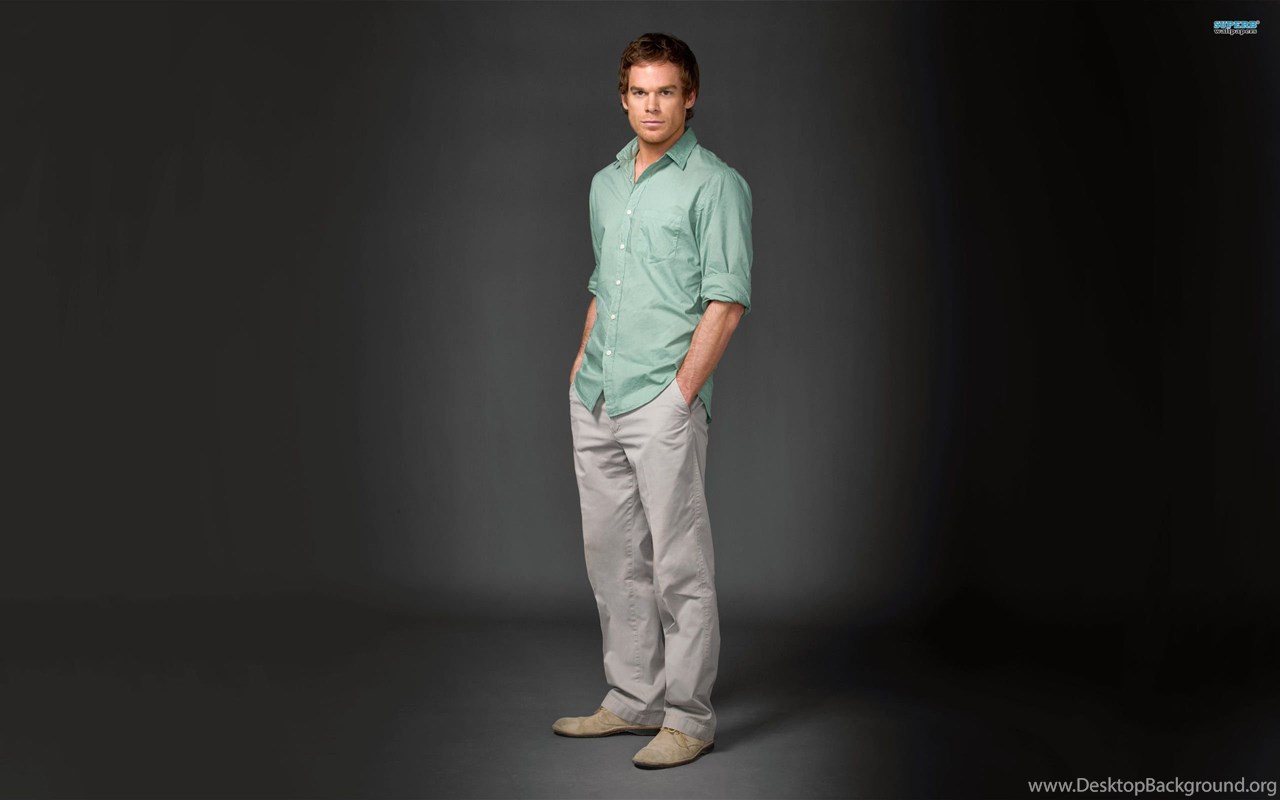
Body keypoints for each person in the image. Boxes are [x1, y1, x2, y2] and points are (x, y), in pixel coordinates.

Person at [553, 32, 753, 770]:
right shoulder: (606, 184)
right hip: (598, 396)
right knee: (613, 558)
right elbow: (603, 284)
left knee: (679, 567)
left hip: (662, 402)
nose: (652, 106)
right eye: (639, 92)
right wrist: (581, 364)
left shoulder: (716, 185)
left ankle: (690, 718)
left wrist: (680, 395)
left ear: (689, 97)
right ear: (623, 98)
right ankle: (633, 698)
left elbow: (726, 300)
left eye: (666, 91)